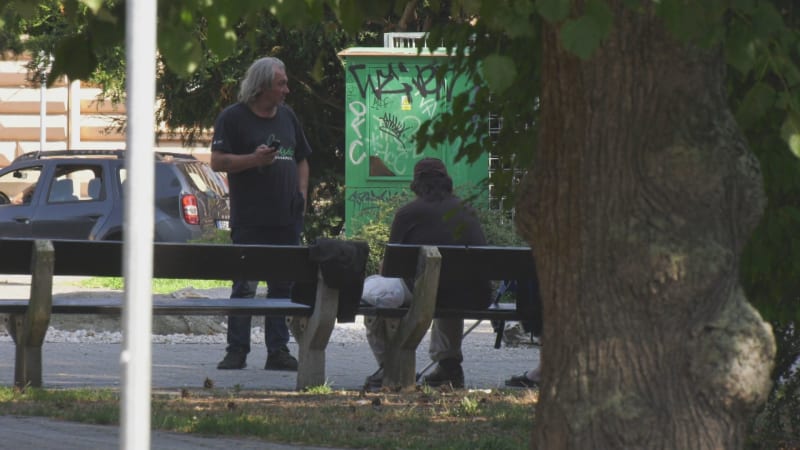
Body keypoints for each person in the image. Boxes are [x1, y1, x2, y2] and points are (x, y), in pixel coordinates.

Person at [210, 56, 311, 371]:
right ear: (263, 86)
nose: (286, 89)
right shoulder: (233, 119)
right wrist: (253, 160)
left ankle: (277, 352)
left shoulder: (289, 117)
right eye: (281, 84)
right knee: (245, 286)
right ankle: (236, 351)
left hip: (286, 218)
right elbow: (217, 162)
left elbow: (302, 159)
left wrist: (302, 194)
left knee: (282, 287)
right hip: (251, 219)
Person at [364, 157, 492, 389]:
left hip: (428, 291)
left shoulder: (408, 213)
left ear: (416, 184)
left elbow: (390, 269)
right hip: (471, 294)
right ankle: (449, 366)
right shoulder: (467, 211)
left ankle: (390, 368)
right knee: (448, 289)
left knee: (377, 298)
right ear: (447, 182)